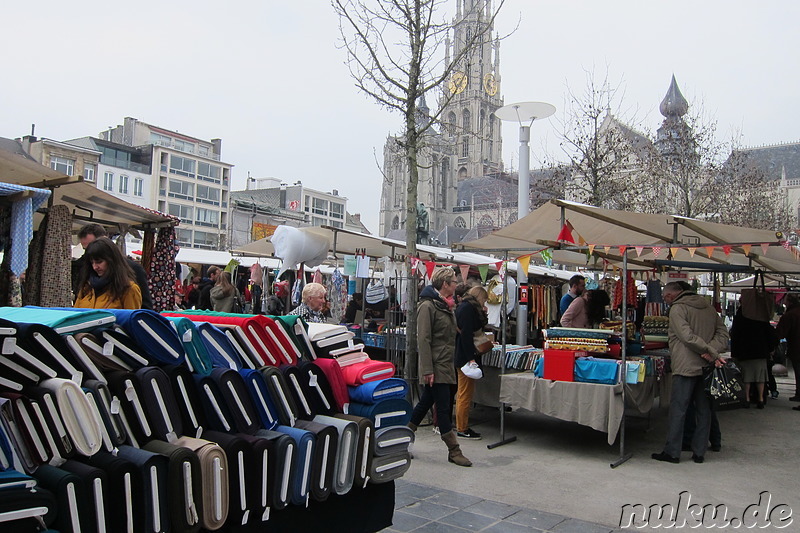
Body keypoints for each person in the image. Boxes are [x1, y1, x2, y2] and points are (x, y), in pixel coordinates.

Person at [652, 282, 729, 464]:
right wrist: (711, 351)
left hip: (685, 365)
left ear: (672, 295)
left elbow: (686, 337)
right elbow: (723, 334)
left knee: (679, 409)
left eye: (664, 297)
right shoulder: (709, 308)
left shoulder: (677, 309)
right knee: (704, 410)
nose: (664, 300)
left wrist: (708, 350)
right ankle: (699, 452)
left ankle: (672, 452)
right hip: (706, 366)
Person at [407, 268, 472, 467]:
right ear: (445, 284)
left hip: (444, 362)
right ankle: (454, 450)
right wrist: (427, 370)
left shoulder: (445, 305)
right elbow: (424, 339)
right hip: (435, 366)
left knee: (426, 402)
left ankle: (402, 438)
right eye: (453, 282)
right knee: (443, 408)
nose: (456, 285)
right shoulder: (427, 306)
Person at [72, 223, 152, 310]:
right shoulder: (86, 285)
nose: (95, 267)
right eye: (86, 249)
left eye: (99, 261)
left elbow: (142, 311)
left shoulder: (131, 281)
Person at [454, 285, 489, 440]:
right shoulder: (468, 309)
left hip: (462, 354)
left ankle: (462, 425)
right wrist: (471, 358)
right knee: (465, 393)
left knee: (463, 392)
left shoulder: (465, 307)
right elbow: (467, 335)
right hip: (465, 356)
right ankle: (462, 427)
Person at [730, 307, 778, 409]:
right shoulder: (761, 317)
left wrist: (735, 353)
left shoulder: (740, 317)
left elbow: (734, 335)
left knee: (746, 378)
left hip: (745, 352)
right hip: (760, 352)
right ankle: (760, 399)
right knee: (760, 377)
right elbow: (770, 335)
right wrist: (770, 349)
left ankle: (746, 398)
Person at [776, 293, 800, 410]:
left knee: (799, 372)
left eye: (785, 300)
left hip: (797, 348)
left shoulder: (790, 315)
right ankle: (798, 393)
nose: (783, 302)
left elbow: (780, 333)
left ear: (789, 301)